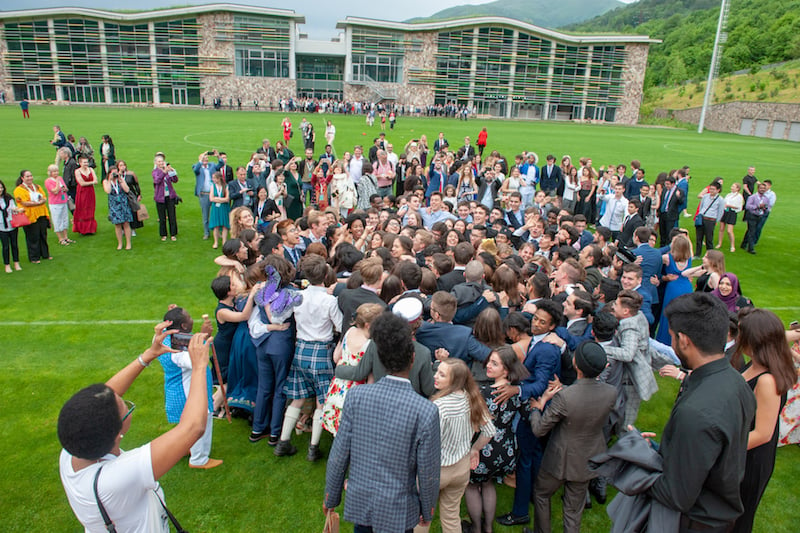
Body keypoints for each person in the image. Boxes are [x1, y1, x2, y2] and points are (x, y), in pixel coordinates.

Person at [57, 322, 211, 532]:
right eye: (126, 408)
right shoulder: (118, 478)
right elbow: (193, 427)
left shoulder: (73, 450)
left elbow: (104, 395)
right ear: (117, 434)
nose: (122, 399)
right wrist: (199, 366)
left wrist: (147, 356)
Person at [646, 293, 755, 533]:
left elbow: (676, 495)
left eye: (672, 337)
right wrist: (655, 451)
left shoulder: (696, 412)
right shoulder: (737, 382)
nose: (672, 342)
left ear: (683, 340)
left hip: (694, 522)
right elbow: (711, 453)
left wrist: (635, 463)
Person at [324, 311, 441, 533]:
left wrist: (331, 496)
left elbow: (340, 452)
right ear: (412, 359)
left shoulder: (358, 397)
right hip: (396, 507)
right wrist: (428, 511)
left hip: (372, 502)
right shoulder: (425, 411)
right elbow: (428, 471)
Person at [531, 341, 617, 533]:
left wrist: (537, 409)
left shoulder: (565, 397)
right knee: (573, 509)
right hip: (589, 457)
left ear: (576, 364)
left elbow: (539, 429)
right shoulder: (611, 392)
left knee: (542, 494)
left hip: (559, 459)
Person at [729, 309, 796, 533]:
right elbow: (778, 336)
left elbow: (763, 433)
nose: (738, 338)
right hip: (740, 449)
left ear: (755, 340)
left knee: (737, 520)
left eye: (742, 334)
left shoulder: (767, 380)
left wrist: (723, 448)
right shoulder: (755, 362)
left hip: (750, 458)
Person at [275, 254, 343, 461]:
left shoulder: (297, 296)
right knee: (322, 401)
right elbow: (340, 326)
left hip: (301, 349)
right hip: (322, 350)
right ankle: (313, 447)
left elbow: (278, 317)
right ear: (325, 275)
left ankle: (283, 442)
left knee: (297, 397)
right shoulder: (330, 300)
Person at [418, 359, 494, 533]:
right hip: (461, 468)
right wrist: (474, 449)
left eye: (442, 374)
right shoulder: (472, 399)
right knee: (452, 515)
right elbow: (490, 430)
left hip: (435, 470)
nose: (435, 376)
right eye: (437, 371)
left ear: (455, 380)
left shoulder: (439, 406)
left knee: (422, 517)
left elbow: (428, 443)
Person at [465, 346, 529, 533]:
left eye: (495, 363)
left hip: (481, 447)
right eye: (489, 361)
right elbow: (526, 413)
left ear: (506, 370)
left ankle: (477, 528)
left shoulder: (483, 393)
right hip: (505, 448)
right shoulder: (516, 391)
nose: (489, 366)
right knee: (488, 483)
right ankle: (488, 528)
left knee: (472, 486)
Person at [157, 307, 221, 470]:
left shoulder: (164, 338)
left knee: (185, 423)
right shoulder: (179, 353)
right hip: (190, 391)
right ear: (184, 327)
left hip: (175, 390)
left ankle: (185, 446)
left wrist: (172, 310)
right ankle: (199, 459)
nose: (192, 319)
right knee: (200, 420)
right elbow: (199, 359)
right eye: (189, 318)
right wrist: (204, 336)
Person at [322, 302, 384, 436]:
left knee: (338, 425)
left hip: (339, 385)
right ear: (368, 325)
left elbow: (336, 357)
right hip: (356, 389)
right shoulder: (370, 345)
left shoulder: (350, 332)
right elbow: (371, 377)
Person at [656, 234, 694, 345]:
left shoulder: (668, 258)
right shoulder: (689, 258)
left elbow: (655, 255)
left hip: (673, 288)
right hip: (686, 287)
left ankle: (665, 341)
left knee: (668, 314)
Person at [14, 169, 52, 263]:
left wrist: (40, 202)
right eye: (27, 176)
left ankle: (45, 254)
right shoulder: (19, 190)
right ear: (22, 178)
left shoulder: (37, 187)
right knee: (33, 236)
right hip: (29, 216)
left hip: (41, 214)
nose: (30, 178)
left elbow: (44, 198)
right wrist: (37, 203)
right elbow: (23, 202)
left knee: (43, 234)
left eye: (31, 176)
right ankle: (34, 257)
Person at [102, 168, 133, 250]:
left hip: (123, 203)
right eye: (113, 173)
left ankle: (128, 243)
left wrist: (121, 180)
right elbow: (108, 191)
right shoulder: (106, 181)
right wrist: (110, 180)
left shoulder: (121, 180)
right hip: (114, 205)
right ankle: (120, 243)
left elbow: (127, 190)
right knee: (117, 224)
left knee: (126, 223)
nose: (115, 174)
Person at [693, 181, 723, 258]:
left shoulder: (720, 200)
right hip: (702, 218)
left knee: (709, 239)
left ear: (718, 190)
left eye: (713, 189)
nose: (711, 191)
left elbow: (720, 212)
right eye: (710, 189)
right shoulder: (705, 197)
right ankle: (697, 254)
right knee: (699, 238)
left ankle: (710, 255)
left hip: (711, 220)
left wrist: (715, 220)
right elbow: (701, 207)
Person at [44, 163, 72, 246]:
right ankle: (60, 238)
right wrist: (57, 183)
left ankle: (66, 236)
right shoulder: (48, 181)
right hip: (55, 203)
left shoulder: (60, 178)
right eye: (54, 172)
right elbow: (55, 191)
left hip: (63, 201)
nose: (56, 173)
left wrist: (64, 189)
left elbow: (65, 188)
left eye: (56, 171)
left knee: (65, 218)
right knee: (57, 220)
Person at [152, 155, 178, 241]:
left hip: (170, 196)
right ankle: (163, 234)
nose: (161, 163)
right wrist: (164, 172)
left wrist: (173, 172)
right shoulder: (155, 172)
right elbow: (157, 180)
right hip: (160, 197)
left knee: (172, 215)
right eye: (159, 161)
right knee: (162, 217)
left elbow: (175, 180)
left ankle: (173, 234)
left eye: (162, 161)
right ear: (156, 163)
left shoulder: (167, 171)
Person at [0, 179, 23, 272]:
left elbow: (13, 208)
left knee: (14, 244)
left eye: (1, 187)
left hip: (12, 224)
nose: (0, 190)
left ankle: (16, 262)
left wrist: (18, 210)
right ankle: (7, 265)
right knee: (5, 246)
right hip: (1, 226)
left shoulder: (8, 197)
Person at [72, 155, 98, 235]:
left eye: (87, 162)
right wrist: (92, 182)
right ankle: (82, 229)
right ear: (80, 163)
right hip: (82, 192)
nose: (86, 164)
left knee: (90, 208)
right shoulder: (77, 171)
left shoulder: (91, 169)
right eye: (84, 162)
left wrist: (90, 183)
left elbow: (96, 180)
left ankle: (90, 229)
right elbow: (81, 183)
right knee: (82, 208)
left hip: (90, 192)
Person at [118, 160, 143, 234]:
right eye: (120, 165)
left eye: (123, 165)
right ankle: (123, 228)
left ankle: (133, 228)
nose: (122, 167)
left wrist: (139, 194)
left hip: (131, 195)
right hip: (121, 195)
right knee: (122, 211)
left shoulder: (131, 174)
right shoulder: (117, 175)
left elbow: (136, 184)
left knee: (133, 211)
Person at [717, 182, 743, 252]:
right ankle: (719, 243)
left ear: (737, 188)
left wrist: (729, 205)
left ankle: (732, 245)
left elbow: (739, 207)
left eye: (733, 186)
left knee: (729, 230)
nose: (732, 187)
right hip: (725, 212)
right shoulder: (728, 195)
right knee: (721, 228)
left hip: (732, 213)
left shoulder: (739, 196)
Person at [208, 172, 230, 249]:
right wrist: (221, 199)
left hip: (224, 208)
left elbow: (227, 199)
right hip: (216, 208)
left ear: (219, 178)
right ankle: (216, 242)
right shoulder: (212, 186)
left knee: (225, 225)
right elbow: (211, 198)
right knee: (216, 225)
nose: (213, 179)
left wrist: (217, 199)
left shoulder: (226, 186)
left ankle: (224, 242)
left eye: (214, 178)